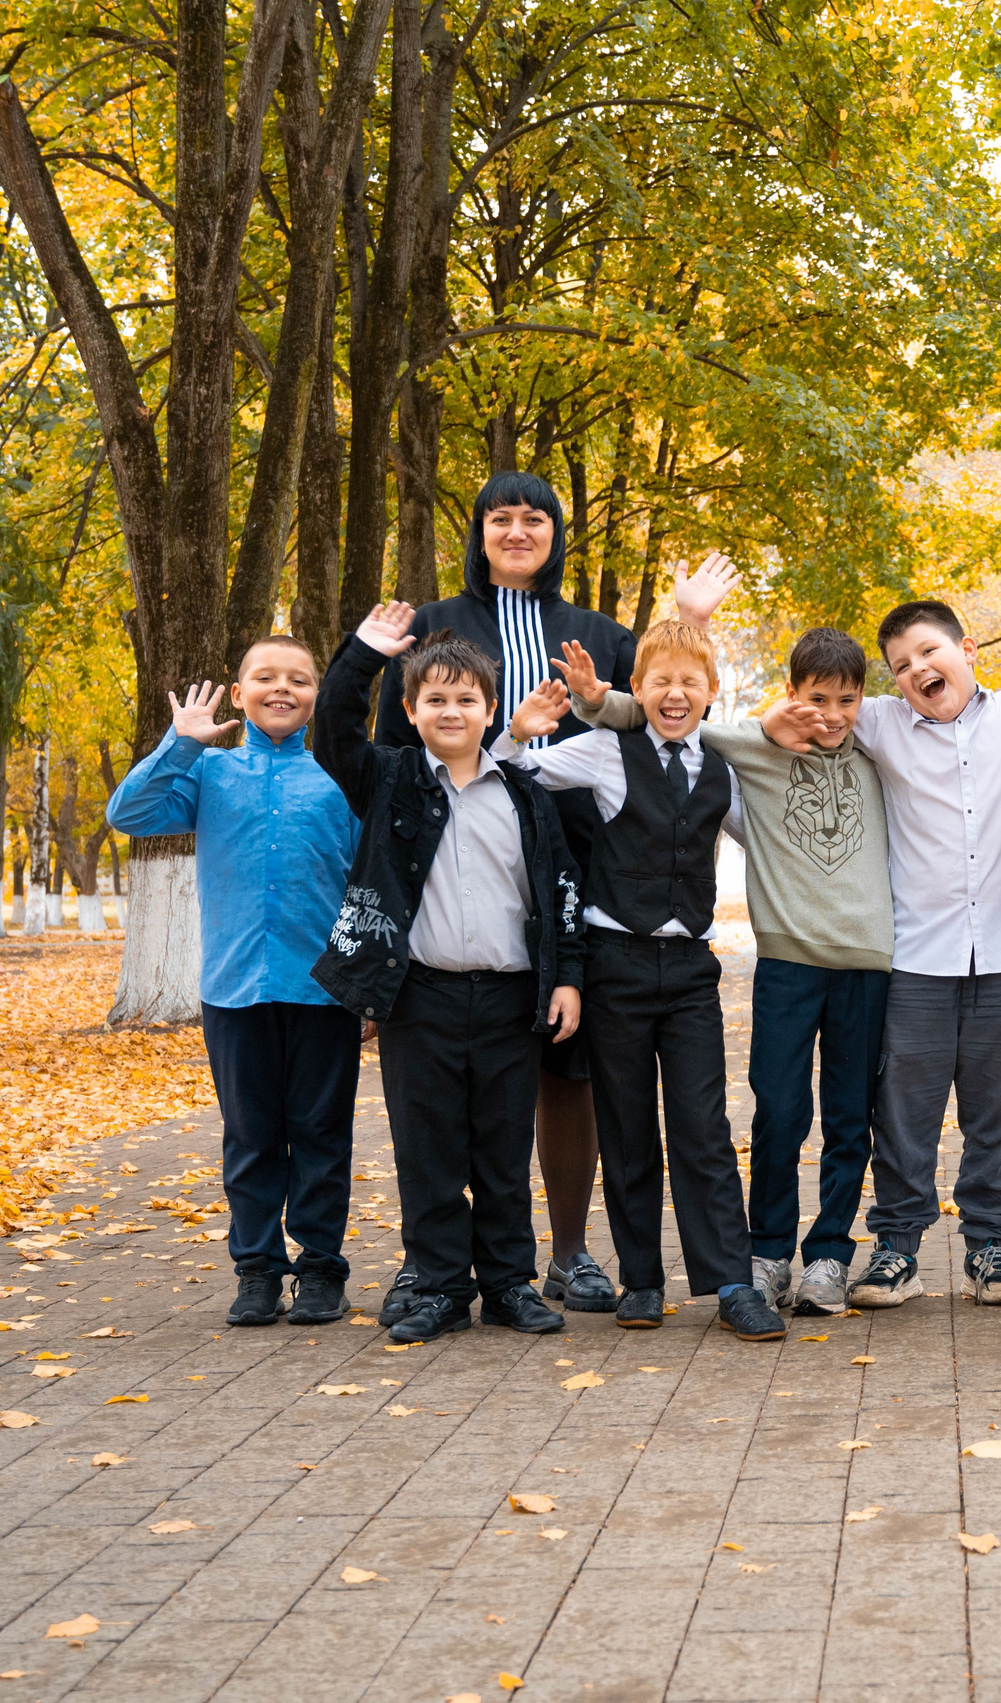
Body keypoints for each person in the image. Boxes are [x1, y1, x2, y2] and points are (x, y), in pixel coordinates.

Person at [369, 469, 728, 1325]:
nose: (520, 530)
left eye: (536, 518)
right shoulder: (432, 627)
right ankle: (435, 1267)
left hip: (587, 872)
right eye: (503, 518)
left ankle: (568, 1252)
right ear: (480, 531)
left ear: (556, 533)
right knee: (454, 1088)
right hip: (464, 866)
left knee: (570, 1067)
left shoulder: (596, 632)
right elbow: (388, 749)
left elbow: (662, 705)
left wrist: (693, 617)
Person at [757, 600, 1001, 1309]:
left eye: (928, 651)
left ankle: (991, 1244)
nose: (917, 669)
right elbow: (812, 710)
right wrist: (767, 721)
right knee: (903, 1106)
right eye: (901, 665)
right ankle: (896, 1246)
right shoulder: (877, 720)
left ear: (967, 647)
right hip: (916, 953)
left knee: (998, 1105)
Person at [562, 622, 893, 1319]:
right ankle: (756, 1254)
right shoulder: (752, 754)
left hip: (863, 962)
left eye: (846, 699)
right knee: (774, 1109)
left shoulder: (880, 749)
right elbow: (671, 718)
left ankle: (824, 1254)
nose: (829, 714)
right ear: (786, 696)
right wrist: (601, 700)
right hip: (777, 960)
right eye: (813, 699)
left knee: (834, 1118)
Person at [491, 620, 784, 1342]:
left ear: (713, 692)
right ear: (637, 691)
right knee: (625, 1127)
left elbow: (776, 838)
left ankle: (732, 1281)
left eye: (690, 681)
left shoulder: (724, 767)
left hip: (690, 972)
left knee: (703, 1127)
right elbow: (511, 778)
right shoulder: (604, 751)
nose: (675, 693)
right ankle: (642, 1278)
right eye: (660, 681)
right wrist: (518, 733)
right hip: (614, 964)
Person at [315, 604, 585, 1345]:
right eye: (434, 698)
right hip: (419, 995)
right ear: (409, 710)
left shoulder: (526, 793)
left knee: (502, 1146)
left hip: (507, 996)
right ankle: (437, 1284)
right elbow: (333, 731)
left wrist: (565, 979)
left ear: (491, 709)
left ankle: (506, 1283)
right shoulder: (390, 778)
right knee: (427, 1147)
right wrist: (360, 656)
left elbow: (560, 888)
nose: (451, 710)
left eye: (467, 698)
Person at [108, 636, 360, 1328]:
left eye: (300, 679)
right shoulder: (209, 774)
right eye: (266, 677)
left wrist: (373, 985)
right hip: (234, 990)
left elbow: (371, 881)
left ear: (317, 695)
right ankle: (256, 1269)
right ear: (241, 693)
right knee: (250, 1136)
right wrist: (180, 743)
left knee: (319, 1133)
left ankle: (319, 1271)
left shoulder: (340, 777)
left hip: (325, 993)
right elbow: (127, 814)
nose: (283, 689)